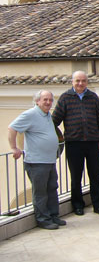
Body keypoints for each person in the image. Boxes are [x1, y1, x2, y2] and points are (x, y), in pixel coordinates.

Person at [52, 71, 99, 216]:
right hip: (73, 143)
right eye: (77, 81)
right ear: (72, 81)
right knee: (76, 177)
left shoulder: (93, 97)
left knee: (96, 175)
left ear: (87, 82)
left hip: (92, 143)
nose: (80, 83)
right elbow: (54, 121)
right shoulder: (65, 98)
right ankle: (77, 205)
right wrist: (55, 139)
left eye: (83, 81)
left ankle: (98, 205)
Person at [8, 90, 64, 229]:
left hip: (49, 160)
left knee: (52, 188)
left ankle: (53, 216)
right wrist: (14, 148)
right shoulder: (30, 114)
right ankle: (43, 220)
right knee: (40, 192)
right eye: (45, 100)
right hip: (36, 162)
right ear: (37, 101)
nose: (48, 102)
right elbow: (12, 128)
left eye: (50, 100)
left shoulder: (47, 115)